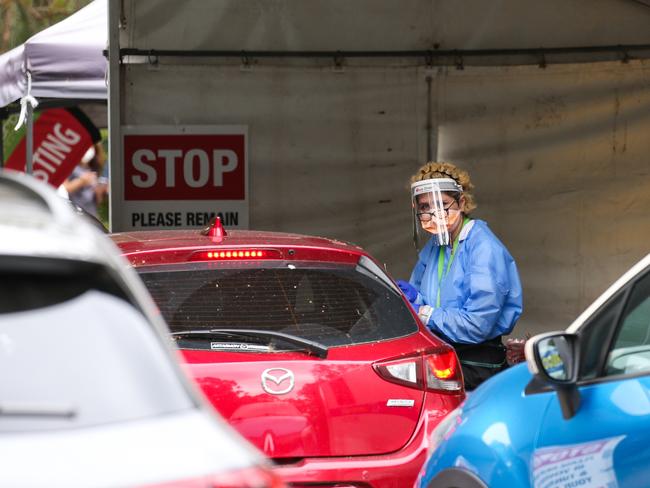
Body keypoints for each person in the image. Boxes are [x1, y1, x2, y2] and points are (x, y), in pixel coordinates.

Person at [397, 161, 523, 390]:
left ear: (462, 202)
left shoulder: (483, 248)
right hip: (444, 357)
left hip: (477, 365)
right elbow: (429, 300)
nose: (433, 213)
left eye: (442, 204)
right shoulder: (437, 245)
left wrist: (425, 313)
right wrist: (414, 299)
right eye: (424, 207)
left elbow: (477, 324)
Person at [61, 142, 108, 218]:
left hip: (91, 215)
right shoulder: (68, 166)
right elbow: (65, 188)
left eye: (90, 147)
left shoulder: (93, 169)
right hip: (73, 215)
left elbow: (95, 199)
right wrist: (82, 181)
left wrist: (100, 191)